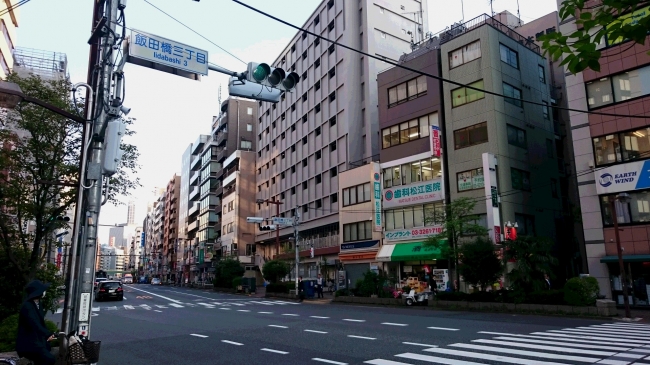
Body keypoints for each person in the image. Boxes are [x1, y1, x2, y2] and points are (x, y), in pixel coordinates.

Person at [16, 280, 56, 365]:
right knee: (50, 359)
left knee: (46, 353)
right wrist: (48, 334)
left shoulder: (38, 304)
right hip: (28, 344)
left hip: (37, 341)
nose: (44, 292)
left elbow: (41, 323)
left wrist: (49, 334)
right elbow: (35, 324)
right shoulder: (27, 306)